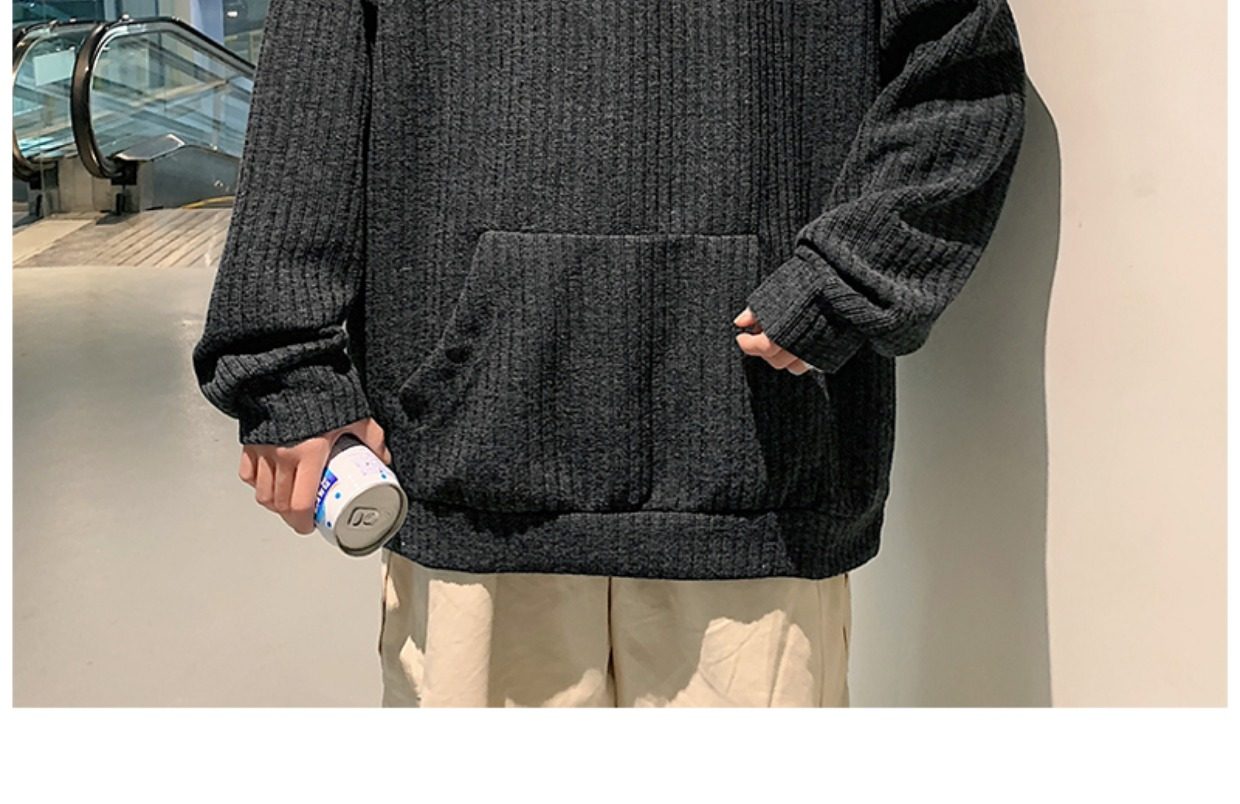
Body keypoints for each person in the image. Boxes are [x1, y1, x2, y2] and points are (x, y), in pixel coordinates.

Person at [192, 0, 1027, 707]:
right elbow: (315, 73)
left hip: (759, 471)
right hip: (479, 466)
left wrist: (848, 276)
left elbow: (961, 69)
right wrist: (284, 361)